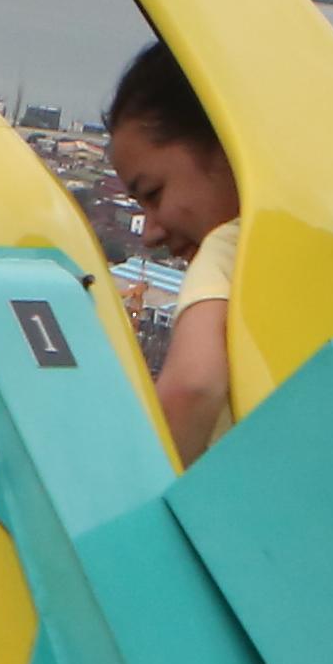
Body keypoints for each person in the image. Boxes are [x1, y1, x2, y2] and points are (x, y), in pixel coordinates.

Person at [101, 38, 242, 463]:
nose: (151, 233)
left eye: (154, 193)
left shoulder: (229, 246)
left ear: (222, 145)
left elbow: (192, 387)